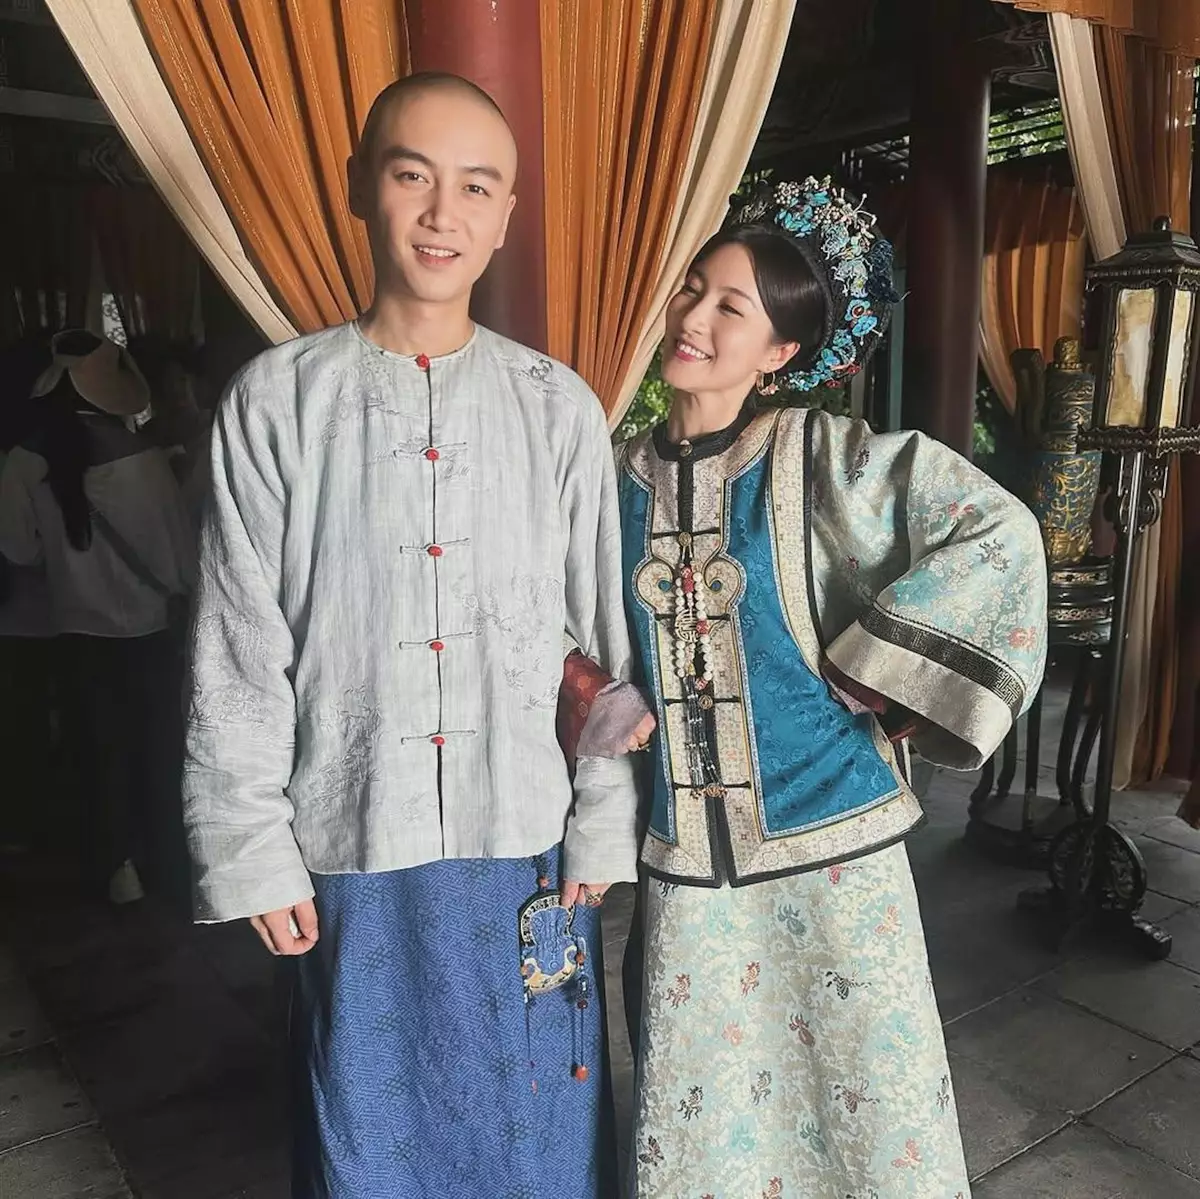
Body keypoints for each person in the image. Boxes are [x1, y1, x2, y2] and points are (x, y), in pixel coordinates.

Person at [182, 73, 638, 1197]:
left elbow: (600, 645)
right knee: (368, 1127)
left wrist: (600, 825)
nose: (443, 213)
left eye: (476, 187)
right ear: (359, 189)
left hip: (525, 841)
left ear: (507, 214)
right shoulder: (276, 402)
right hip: (354, 839)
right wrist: (250, 845)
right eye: (411, 175)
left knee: (539, 1123)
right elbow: (240, 649)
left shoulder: (557, 407)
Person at [612, 179, 1048, 1196]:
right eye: (693, 288)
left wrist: (877, 662)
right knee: (710, 1111)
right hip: (689, 862)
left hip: (837, 847)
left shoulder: (823, 457)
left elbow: (998, 529)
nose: (694, 317)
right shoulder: (611, 477)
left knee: (866, 1106)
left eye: (731, 307)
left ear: (779, 353)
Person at [0, 330, 194, 905]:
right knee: (158, 748)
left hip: (77, 631)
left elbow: (20, 551)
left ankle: (119, 868)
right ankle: (168, 866)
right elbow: (182, 560)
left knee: (101, 751)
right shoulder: (145, 460)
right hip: (151, 632)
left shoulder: (25, 461)